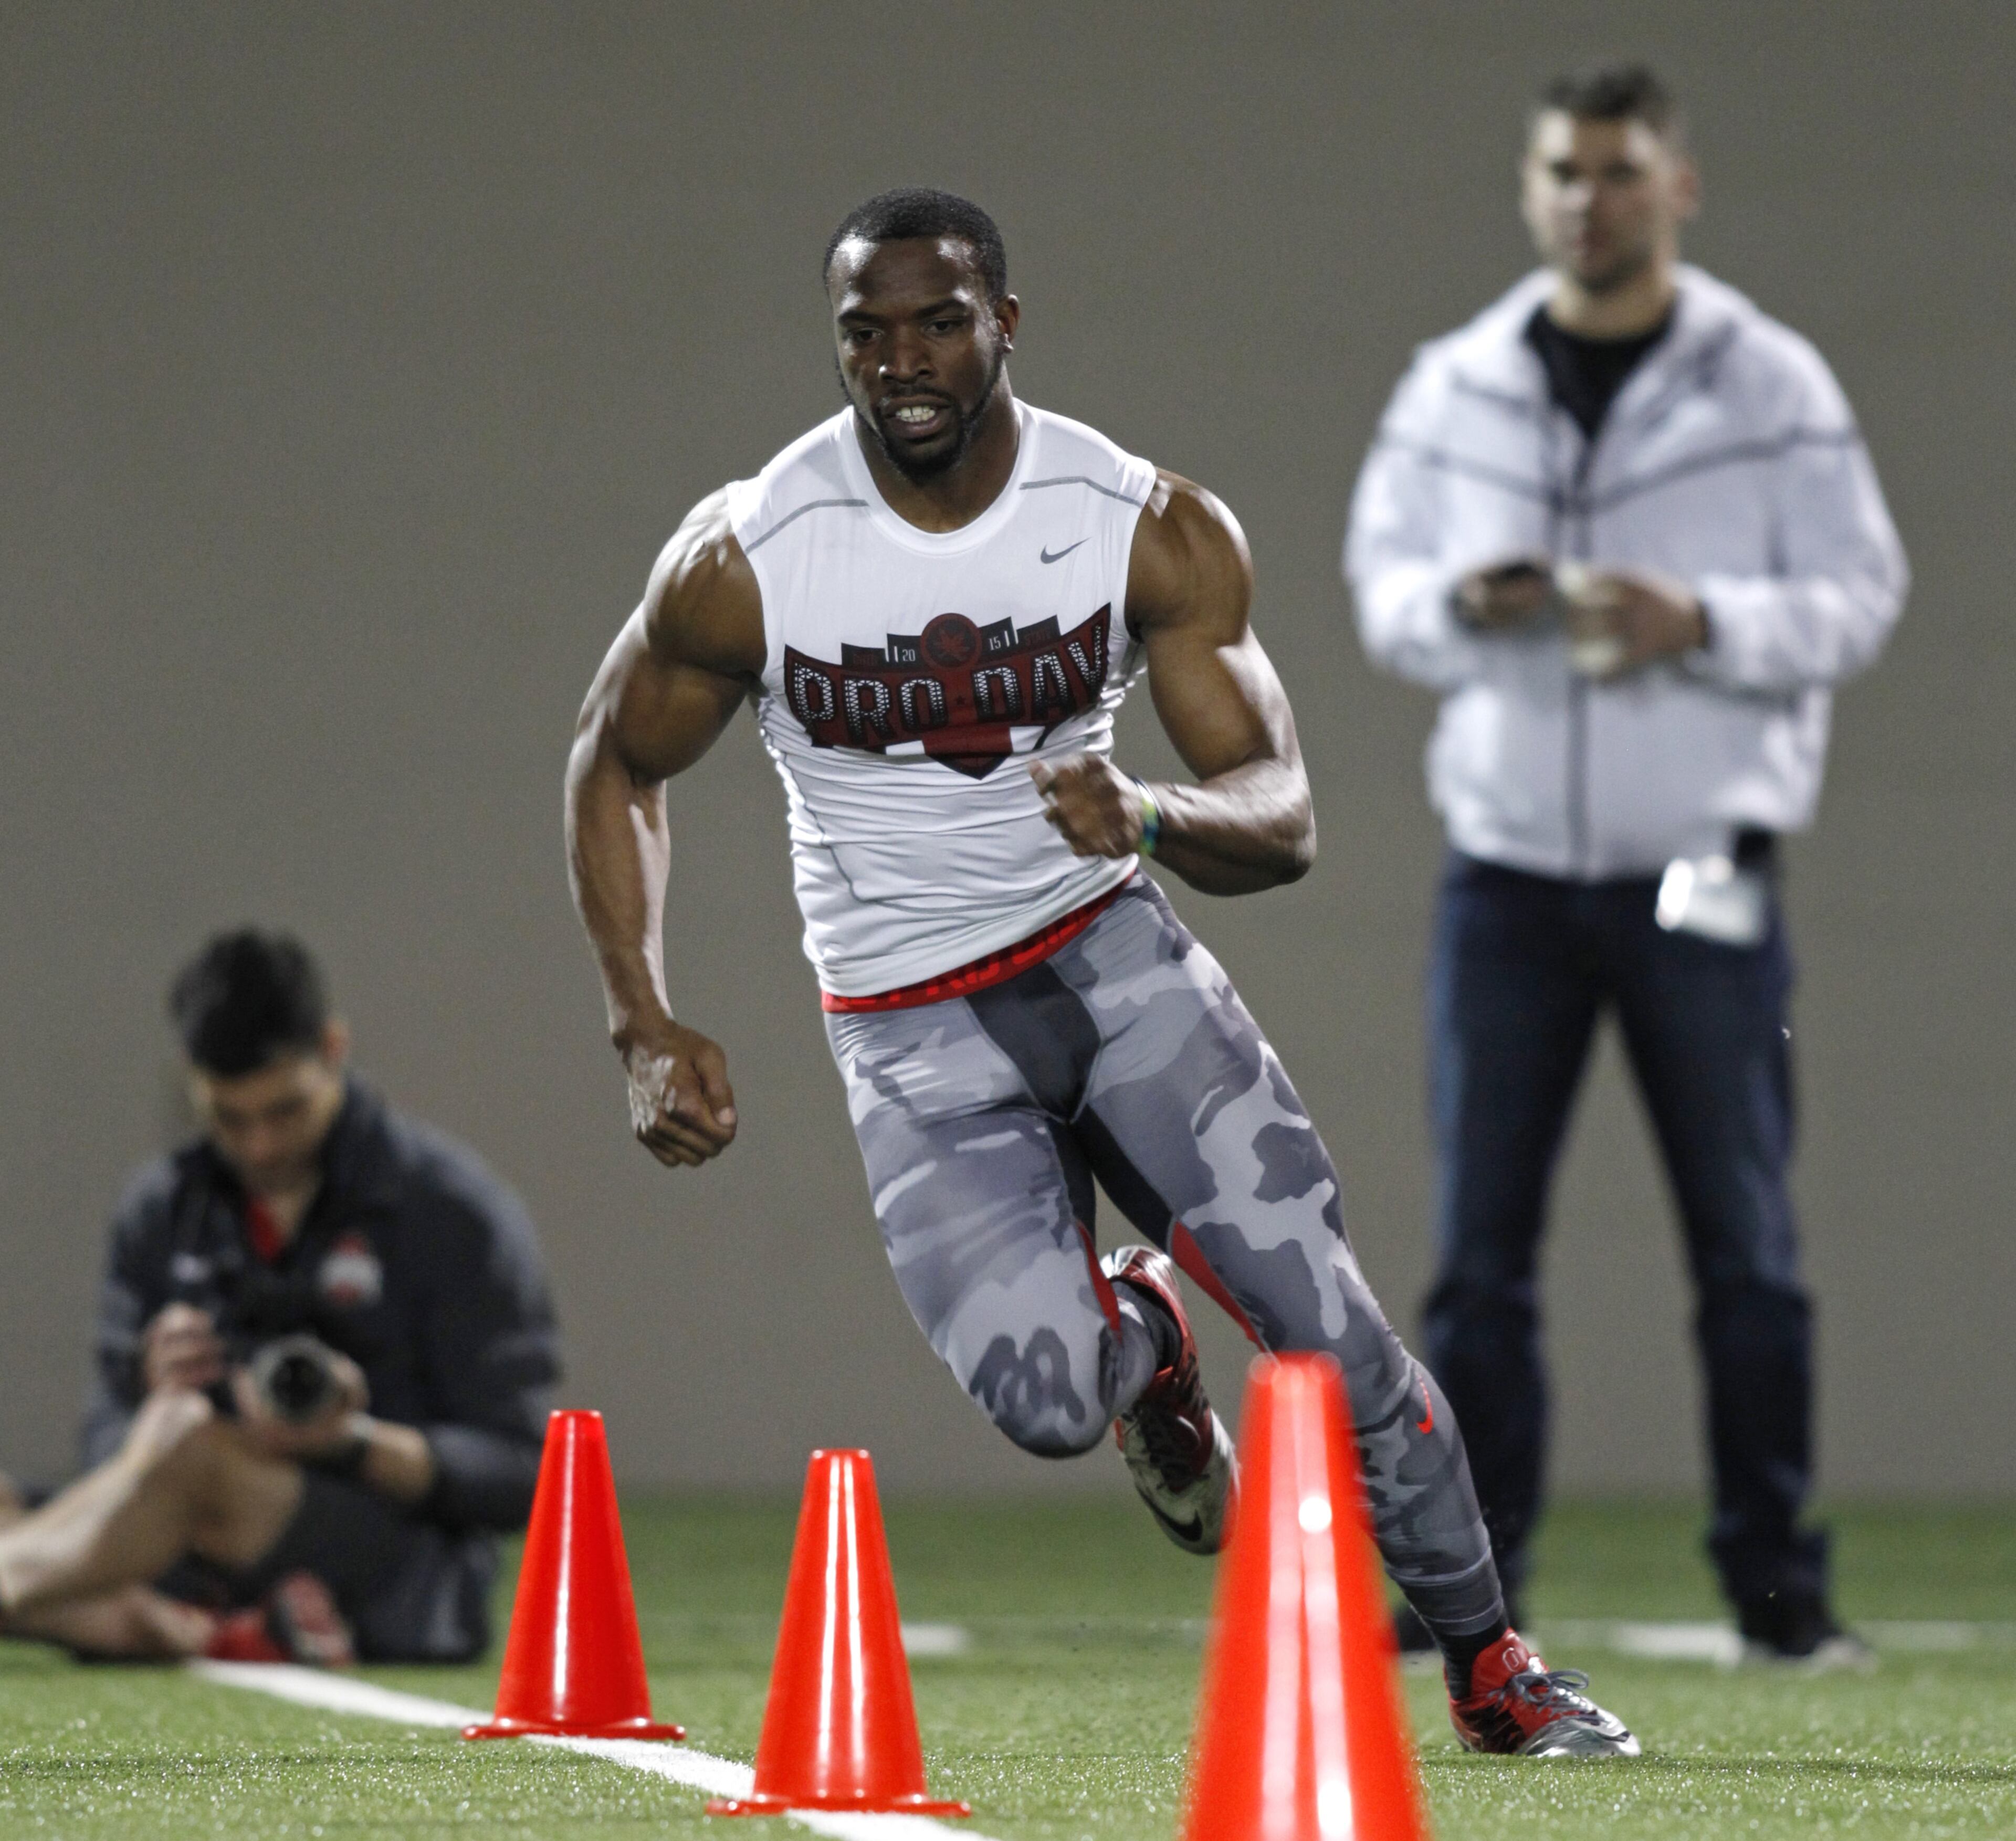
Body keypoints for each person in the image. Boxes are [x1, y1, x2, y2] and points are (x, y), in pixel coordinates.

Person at [565, 186, 1636, 1755]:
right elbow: (613, 763)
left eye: (941, 322)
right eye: (869, 332)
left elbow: (1283, 808)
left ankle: (1487, 1661)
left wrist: (1146, 808)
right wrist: (640, 1020)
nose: (906, 361)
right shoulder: (751, 551)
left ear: (1006, 322)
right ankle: (1147, 1341)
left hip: (1106, 960)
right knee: (1047, 1396)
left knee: (1327, 1331)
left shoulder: (1137, 520)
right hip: (908, 1015)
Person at [1345, 66, 1906, 1663]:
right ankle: (1472, 1595)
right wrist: (1466, 602)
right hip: (1508, 871)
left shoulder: (1770, 382)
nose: (1588, 199)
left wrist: (1705, 622)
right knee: (1481, 1262)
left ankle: (1781, 1598)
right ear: (1532, 192)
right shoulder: (1458, 381)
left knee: (1746, 1248)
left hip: (1697, 868)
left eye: (1618, 171)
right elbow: (1378, 584)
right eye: (1563, 173)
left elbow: (1864, 595)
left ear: (1680, 187)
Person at [0, 930, 561, 1664]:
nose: (260, 1145)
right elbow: (106, 1442)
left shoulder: (450, 1209)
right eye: (231, 1118)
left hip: (391, 1557)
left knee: (191, 1445)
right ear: (193, 1083)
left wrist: (355, 1441)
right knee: (141, 1447)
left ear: (334, 1047)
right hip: (178, 1528)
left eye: (286, 1111)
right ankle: (196, 1629)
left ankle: (101, 1603)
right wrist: (150, 1394)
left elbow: (523, 1473)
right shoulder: (162, 1209)